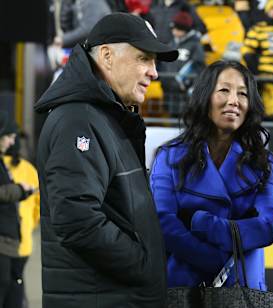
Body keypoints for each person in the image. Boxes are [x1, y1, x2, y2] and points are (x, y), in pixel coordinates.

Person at [35, 13, 178, 308]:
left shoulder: (104, 117)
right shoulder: (78, 119)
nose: (154, 72)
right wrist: (143, 264)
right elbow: (77, 220)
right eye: (143, 58)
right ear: (107, 55)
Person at [149, 60, 273, 290]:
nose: (234, 101)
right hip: (182, 286)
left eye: (242, 93)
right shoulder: (168, 157)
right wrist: (215, 260)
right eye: (223, 90)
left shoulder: (265, 163)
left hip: (244, 289)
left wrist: (204, 223)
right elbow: (163, 223)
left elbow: (266, 227)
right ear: (205, 97)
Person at [0, 112, 35, 308]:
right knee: (14, 289)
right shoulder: (29, 170)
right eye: (11, 136)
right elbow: (39, 205)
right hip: (16, 240)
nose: (12, 140)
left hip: (12, 240)